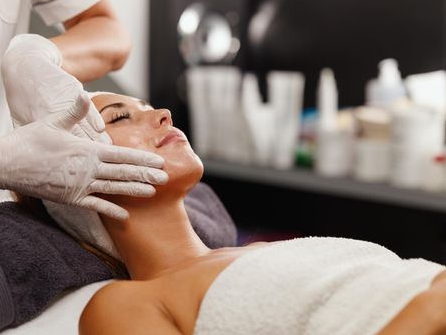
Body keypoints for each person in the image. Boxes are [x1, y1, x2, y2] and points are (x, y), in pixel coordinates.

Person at [78, 93, 446, 335]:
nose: (163, 114)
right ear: (69, 181)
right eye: (120, 117)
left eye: (147, 106)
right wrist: (429, 312)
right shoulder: (124, 304)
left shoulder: (264, 249)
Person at [0, 0, 167, 223]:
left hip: (4, 213)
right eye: (119, 117)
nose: (165, 115)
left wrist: (36, 56)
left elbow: (107, 29)